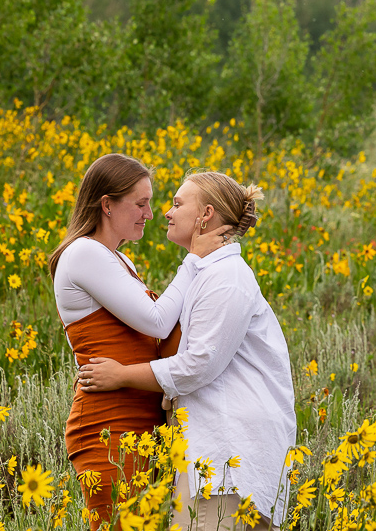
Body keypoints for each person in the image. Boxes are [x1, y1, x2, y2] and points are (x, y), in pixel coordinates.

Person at [79, 171, 296, 530]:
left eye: (178, 204)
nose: (165, 212)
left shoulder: (228, 277)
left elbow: (198, 365)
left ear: (205, 215)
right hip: (208, 454)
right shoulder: (208, 273)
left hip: (231, 453)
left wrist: (120, 376)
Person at [49, 153, 226, 529]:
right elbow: (159, 322)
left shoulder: (119, 261)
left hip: (142, 425)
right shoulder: (83, 253)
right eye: (141, 203)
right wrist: (193, 260)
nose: (150, 213)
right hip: (108, 424)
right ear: (107, 205)